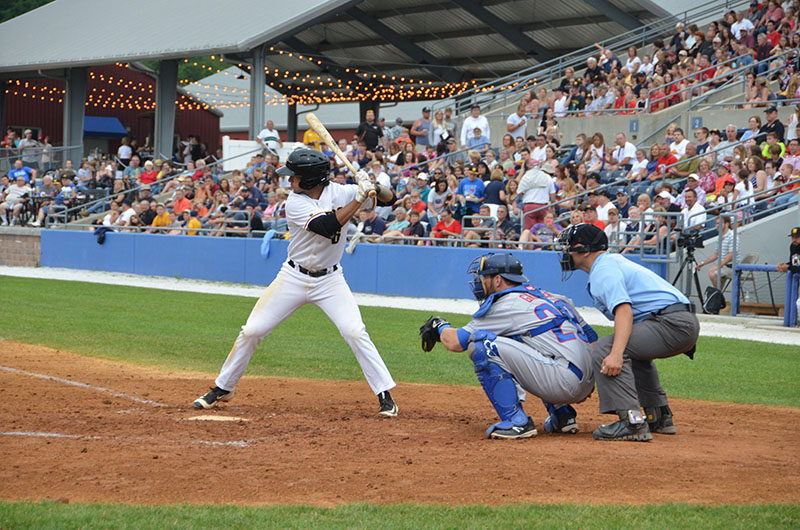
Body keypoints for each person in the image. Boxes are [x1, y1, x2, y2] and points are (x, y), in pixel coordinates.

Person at [193, 149, 399, 417]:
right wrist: (360, 198)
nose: (289, 181)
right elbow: (327, 226)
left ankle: (385, 394)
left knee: (354, 331)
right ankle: (224, 386)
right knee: (252, 330)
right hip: (293, 276)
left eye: (295, 177)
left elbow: (389, 200)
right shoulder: (294, 202)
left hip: (330, 280)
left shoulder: (342, 193)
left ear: (312, 180)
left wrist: (373, 186)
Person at [418, 253, 596, 439]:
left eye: (484, 277)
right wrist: (590, 379)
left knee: (482, 346)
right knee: (526, 341)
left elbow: (455, 342)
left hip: (562, 382)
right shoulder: (554, 297)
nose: (480, 282)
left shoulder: (506, 303)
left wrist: (439, 326)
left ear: (497, 280)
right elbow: (592, 339)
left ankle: (516, 422)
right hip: (587, 380)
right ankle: (563, 416)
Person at [556, 223, 700, 441]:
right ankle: (659, 416)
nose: (565, 252)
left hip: (671, 323)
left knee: (608, 348)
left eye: (568, 247)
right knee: (630, 351)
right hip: (678, 321)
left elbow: (624, 311)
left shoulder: (603, 269)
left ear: (584, 250)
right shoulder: (609, 263)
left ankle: (630, 422)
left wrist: (614, 353)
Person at [697, 216, 739, 287]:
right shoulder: (720, 237)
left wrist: (718, 266)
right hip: (724, 266)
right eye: (716, 223)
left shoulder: (732, 237)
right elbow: (716, 255)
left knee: (712, 272)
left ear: (727, 224)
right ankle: (719, 294)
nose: (717, 225)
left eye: (719, 223)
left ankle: (718, 294)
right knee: (713, 273)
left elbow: (731, 256)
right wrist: (702, 263)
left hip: (732, 267)